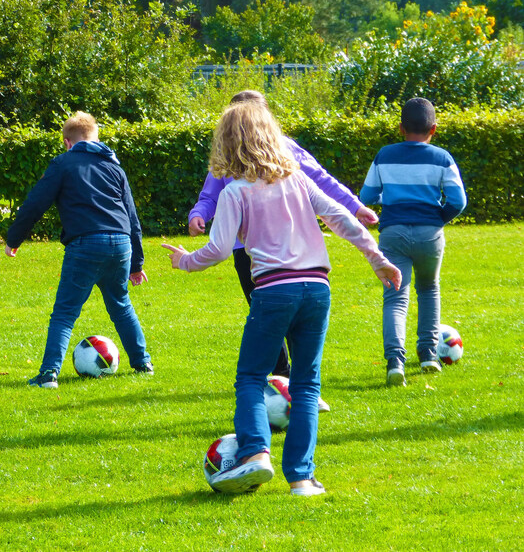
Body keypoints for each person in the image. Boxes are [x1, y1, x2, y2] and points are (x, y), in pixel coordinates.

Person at [164, 102, 401, 495]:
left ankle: (256, 454)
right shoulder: (298, 181)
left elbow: (219, 250)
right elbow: (341, 218)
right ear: (272, 136)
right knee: (307, 384)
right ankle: (302, 479)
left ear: (226, 144)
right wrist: (378, 259)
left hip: (274, 290)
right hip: (318, 289)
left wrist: (185, 261)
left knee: (251, 378)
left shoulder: (235, 193)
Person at [188, 90, 379, 380]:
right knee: (262, 310)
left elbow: (321, 181)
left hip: (293, 248)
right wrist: (199, 213)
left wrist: (355, 206)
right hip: (248, 250)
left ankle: (291, 381)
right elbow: (210, 194)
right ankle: (281, 375)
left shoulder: (287, 150)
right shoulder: (228, 157)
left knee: (285, 311)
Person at [4, 111, 151, 389]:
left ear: (67, 142)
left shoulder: (63, 163)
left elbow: (36, 203)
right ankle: (143, 362)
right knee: (121, 306)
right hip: (120, 243)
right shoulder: (114, 167)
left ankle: (49, 374)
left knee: (65, 312)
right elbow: (132, 218)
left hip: (85, 242)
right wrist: (137, 264)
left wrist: (14, 238)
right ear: (96, 139)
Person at [359, 97, 466, 386]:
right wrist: (438, 217)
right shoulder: (442, 158)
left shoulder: (385, 154)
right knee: (429, 289)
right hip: (429, 234)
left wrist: (388, 201)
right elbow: (458, 201)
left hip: (393, 232)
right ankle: (429, 354)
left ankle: (395, 361)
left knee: (395, 296)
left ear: (400, 128)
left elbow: (366, 198)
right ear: (434, 128)